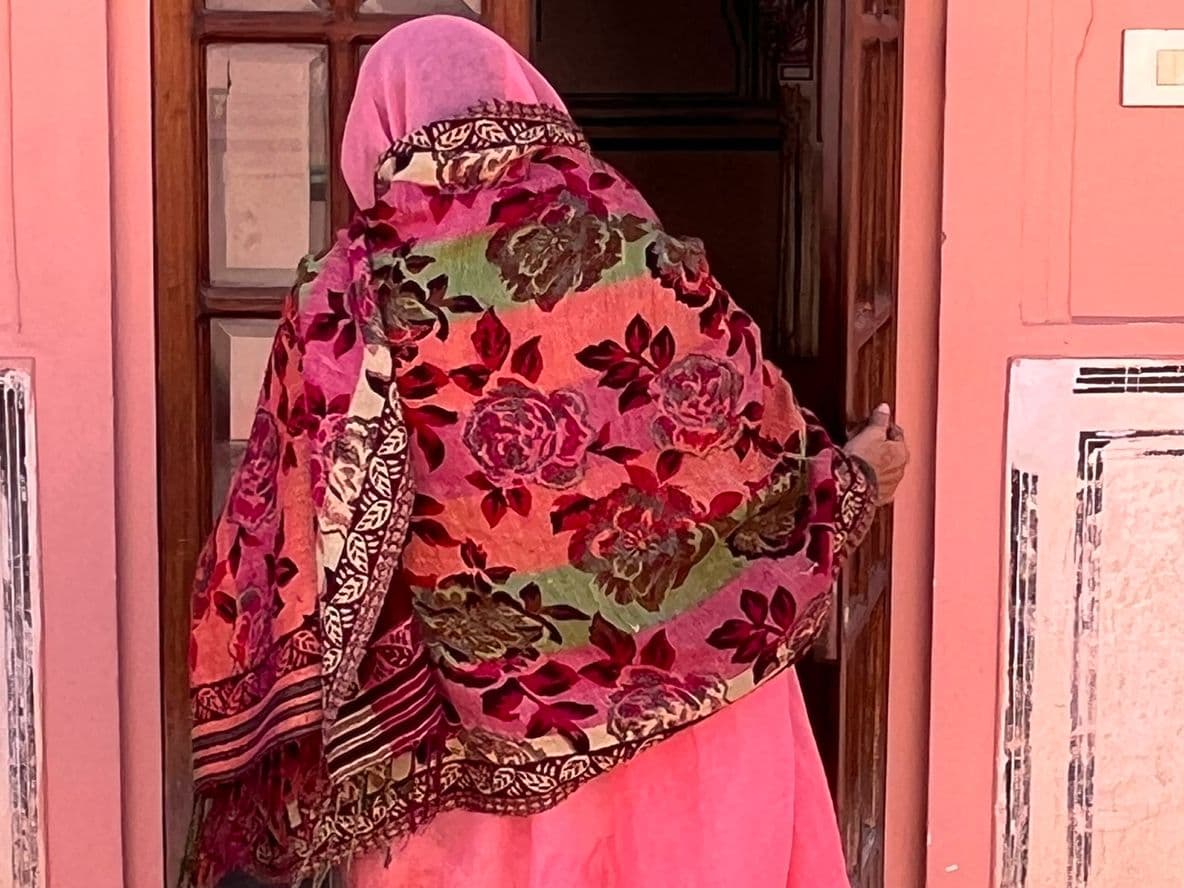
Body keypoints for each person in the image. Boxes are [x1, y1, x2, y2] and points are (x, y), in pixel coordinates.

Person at [182, 16, 909, 888]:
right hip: (696, 714)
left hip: (475, 752)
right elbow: (752, 454)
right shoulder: (632, 249)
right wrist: (855, 474)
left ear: (380, 125)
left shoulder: (350, 291)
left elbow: (291, 529)